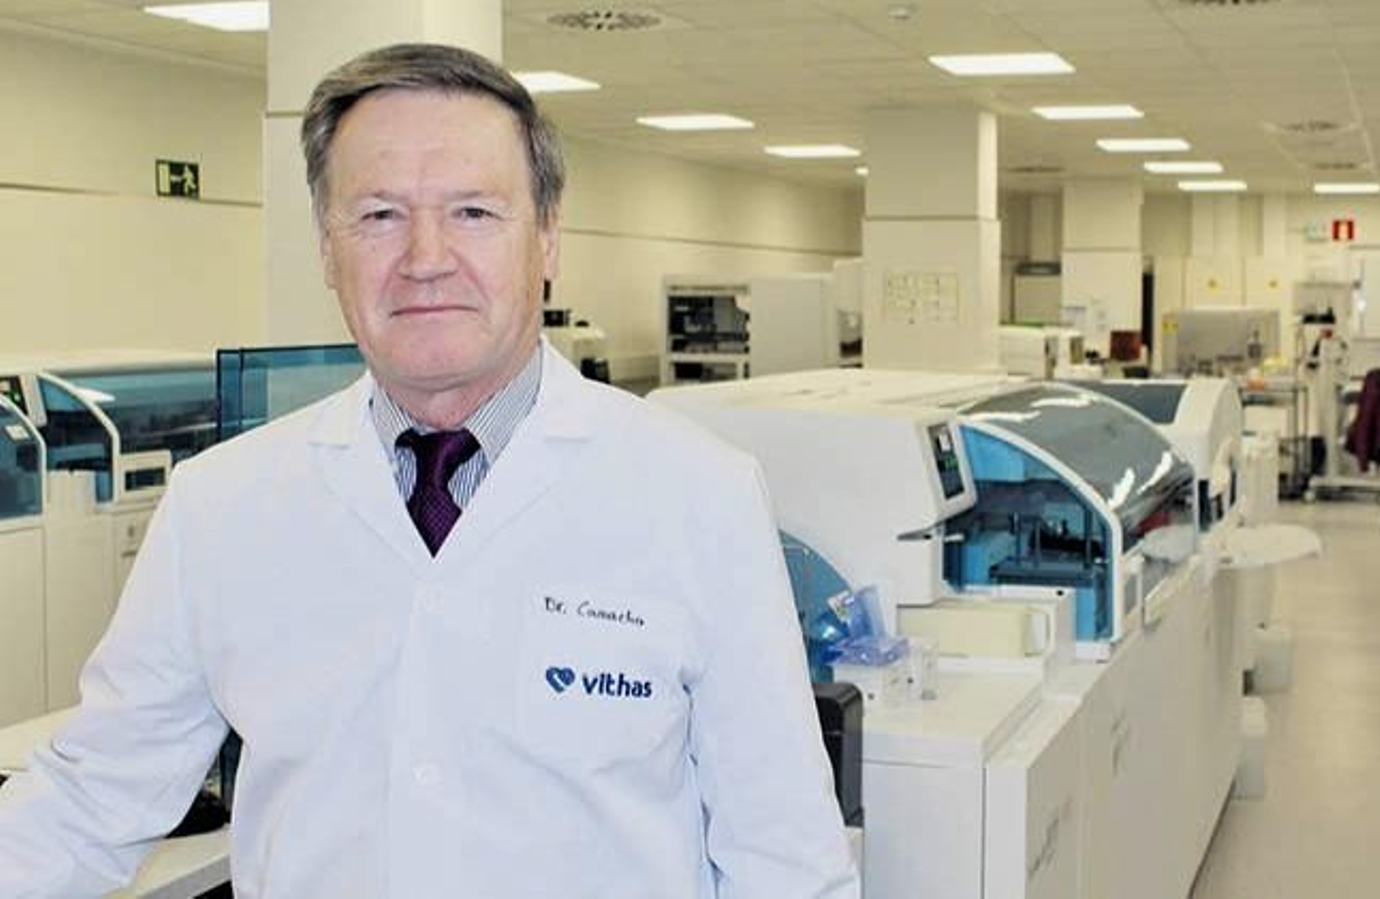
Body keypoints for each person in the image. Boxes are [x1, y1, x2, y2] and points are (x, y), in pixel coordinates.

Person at [0, 43, 858, 898]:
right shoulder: (221, 504)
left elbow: (785, 858)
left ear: (549, 237)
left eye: (474, 212)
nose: (424, 257)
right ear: (327, 250)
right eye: (377, 215)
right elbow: (89, 797)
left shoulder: (698, 492)